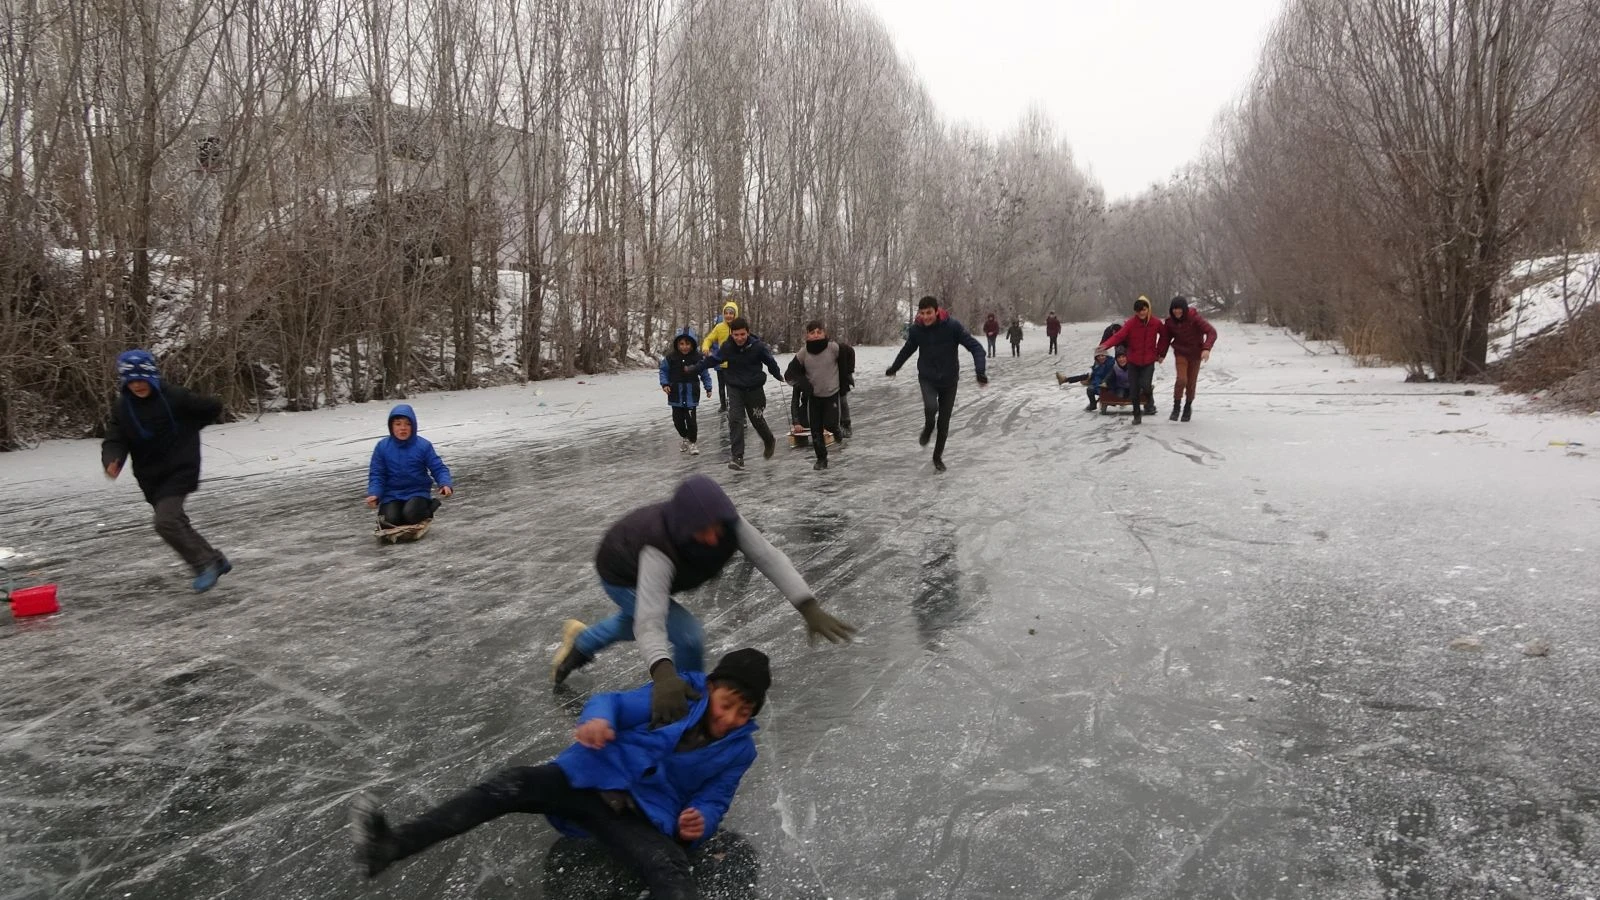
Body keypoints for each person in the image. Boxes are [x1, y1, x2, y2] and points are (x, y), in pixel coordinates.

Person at [351, 648, 775, 900]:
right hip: (587, 779)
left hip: (638, 816)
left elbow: (715, 797)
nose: (731, 718)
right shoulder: (678, 694)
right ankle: (392, 844)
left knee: (668, 867)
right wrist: (597, 719)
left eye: (744, 712)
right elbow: (613, 703)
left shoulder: (740, 751)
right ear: (712, 687)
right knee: (511, 785)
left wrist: (700, 820)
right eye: (727, 703)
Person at [551, 476, 854, 726]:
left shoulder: (730, 524)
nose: (712, 539)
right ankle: (688, 706)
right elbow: (650, 621)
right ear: (683, 527)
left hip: (638, 565)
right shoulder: (658, 548)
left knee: (634, 621)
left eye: (716, 529)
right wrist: (664, 675)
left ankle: (583, 641)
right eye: (701, 532)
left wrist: (807, 606)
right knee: (687, 635)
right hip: (621, 574)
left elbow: (769, 557)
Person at [100, 349, 232, 592]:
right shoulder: (123, 407)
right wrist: (113, 459)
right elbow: (115, 438)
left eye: (142, 379)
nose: (137, 386)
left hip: (181, 468)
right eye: (132, 381)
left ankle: (203, 564)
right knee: (176, 521)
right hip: (150, 475)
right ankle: (216, 560)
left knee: (166, 521)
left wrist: (190, 428)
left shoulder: (176, 397)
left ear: (152, 377)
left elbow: (212, 407)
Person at [885, 296, 988, 473]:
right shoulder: (916, 330)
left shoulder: (952, 326)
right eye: (922, 313)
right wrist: (894, 368)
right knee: (931, 407)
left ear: (937, 311)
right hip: (927, 378)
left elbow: (976, 347)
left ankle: (937, 457)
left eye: (929, 313)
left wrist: (980, 371)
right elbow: (907, 350)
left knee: (944, 422)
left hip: (949, 381)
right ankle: (928, 427)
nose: (925, 317)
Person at [690, 317, 781, 471]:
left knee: (757, 419)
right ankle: (737, 457)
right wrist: (695, 368)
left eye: (742, 334)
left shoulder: (758, 347)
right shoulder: (727, 347)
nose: (739, 338)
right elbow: (713, 360)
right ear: (731, 334)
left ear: (748, 333)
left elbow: (770, 361)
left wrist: (777, 374)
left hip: (754, 388)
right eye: (736, 335)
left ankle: (769, 440)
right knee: (735, 420)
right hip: (735, 387)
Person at [366, 404, 453, 526]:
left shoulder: (423, 445)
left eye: (407, 424)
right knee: (388, 521)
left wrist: (445, 484)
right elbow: (377, 474)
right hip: (392, 494)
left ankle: (430, 507)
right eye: (398, 424)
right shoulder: (382, 447)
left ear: (413, 426)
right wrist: (375, 494)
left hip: (417, 492)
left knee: (411, 514)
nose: (403, 428)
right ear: (391, 426)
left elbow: (438, 468)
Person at [787, 320, 849, 470]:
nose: (816, 335)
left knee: (830, 424)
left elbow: (849, 353)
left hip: (831, 394)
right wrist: (804, 383)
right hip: (814, 397)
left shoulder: (833, 348)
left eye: (819, 332)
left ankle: (836, 430)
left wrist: (847, 376)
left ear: (824, 333)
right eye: (812, 333)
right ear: (807, 335)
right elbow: (789, 373)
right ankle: (821, 459)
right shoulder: (803, 353)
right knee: (816, 430)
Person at [1098, 296, 1165, 425]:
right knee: (1134, 390)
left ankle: (1149, 399)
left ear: (1148, 309)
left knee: (1145, 385)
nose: (1141, 313)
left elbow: (1164, 336)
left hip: (1148, 360)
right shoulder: (1130, 323)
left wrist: (1160, 352)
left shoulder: (1156, 323)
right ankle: (1137, 415)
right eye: (1138, 311)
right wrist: (1106, 344)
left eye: (1144, 310)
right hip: (1133, 361)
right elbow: (1119, 336)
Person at [1156, 296, 1218, 422]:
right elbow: (1166, 338)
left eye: (1179, 309)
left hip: (1195, 354)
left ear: (1184, 309)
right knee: (1181, 379)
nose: (1177, 311)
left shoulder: (1194, 318)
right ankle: (1176, 406)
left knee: (1191, 383)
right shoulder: (1170, 322)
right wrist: (1161, 354)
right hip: (1181, 353)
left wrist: (1206, 348)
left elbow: (1212, 332)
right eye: (1174, 309)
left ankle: (1188, 406)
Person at [661, 328, 714, 455]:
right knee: (677, 421)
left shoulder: (697, 358)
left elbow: (704, 373)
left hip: (691, 393)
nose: (684, 347)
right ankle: (684, 436)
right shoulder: (671, 358)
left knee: (691, 421)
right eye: (681, 344)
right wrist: (665, 384)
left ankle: (693, 442)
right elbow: (663, 371)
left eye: (688, 344)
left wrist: (708, 387)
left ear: (692, 344)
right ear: (677, 344)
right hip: (676, 394)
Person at [700, 300, 740, 411]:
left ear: (735, 314)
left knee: (734, 387)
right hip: (721, 363)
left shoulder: (739, 326)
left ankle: (736, 407)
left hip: (735, 364)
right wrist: (705, 348)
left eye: (731, 313)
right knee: (722, 386)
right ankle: (723, 405)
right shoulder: (719, 327)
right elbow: (708, 339)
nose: (728, 315)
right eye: (726, 313)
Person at [1057, 346, 1116, 411]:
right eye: (1098, 356)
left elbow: (1102, 377)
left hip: (1107, 384)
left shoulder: (1110, 363)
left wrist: (1094, 383)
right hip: (1100, 381)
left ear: (1106, 356)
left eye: (1102, 355)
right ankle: (1065, 379)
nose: (1101, 357)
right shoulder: (1098, 364)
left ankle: (1065, 380)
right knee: (1086, 378)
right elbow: (1096, 375)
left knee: (1089, 387)